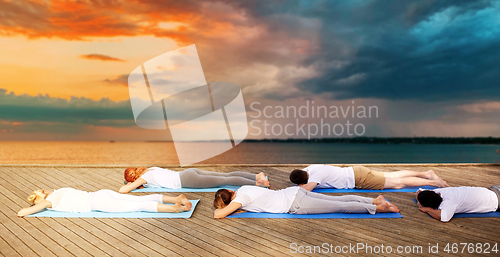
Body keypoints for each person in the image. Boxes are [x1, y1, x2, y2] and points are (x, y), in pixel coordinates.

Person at [212, 185, 399, 218]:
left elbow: (219, 215)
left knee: (340, 207)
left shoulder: (241, 199)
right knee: (338, 199)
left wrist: (222, 208)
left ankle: (379, 208)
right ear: (230, 191)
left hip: (295, 204)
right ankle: (374, 199)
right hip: (294, 192)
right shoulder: (242, 189)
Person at [17, 188, 192, 217]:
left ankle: (174, 210)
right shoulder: (60, 190)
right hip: (101, 194)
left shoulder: (50, 201)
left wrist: (33, 205)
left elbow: (22, 212)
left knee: (137, 206)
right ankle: (175, 199)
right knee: (139, 199)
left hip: (99, 203)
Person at [289, 164, 449, 191]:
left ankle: (435, 182)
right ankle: (427, 174)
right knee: (392, 175)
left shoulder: (314, 176)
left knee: (398, 184)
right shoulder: (311, 168)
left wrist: (300, 186)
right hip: (357, 170)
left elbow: (306, 190)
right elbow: (300, 173)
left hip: (360, 180)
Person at [120, 167, 270, 193]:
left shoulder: (144, 178)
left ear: (133, 178)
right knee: (225, 175)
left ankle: (257, 183)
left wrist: (129, 184)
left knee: (225, 181)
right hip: (188, 172)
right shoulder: (150, 169)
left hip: (187, 180)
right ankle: (257, 176)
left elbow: (124, 190)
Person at [415, 185, 500, 222]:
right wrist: (419, 201)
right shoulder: (438, 191)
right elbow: (419, 191)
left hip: (497, 201)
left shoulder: (449, 202)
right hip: (493, 189)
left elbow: (444, 217)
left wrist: (428, 209)